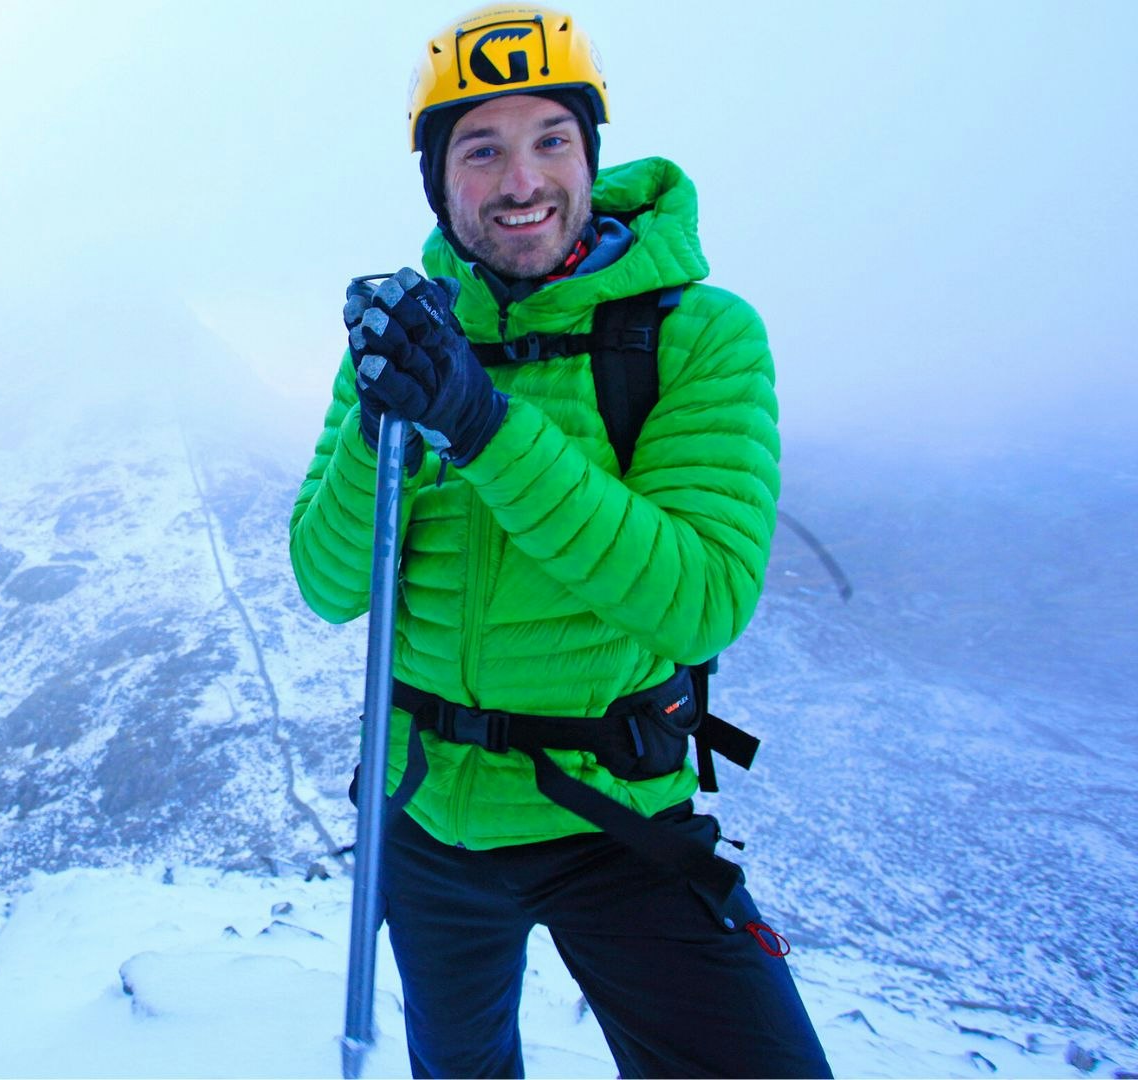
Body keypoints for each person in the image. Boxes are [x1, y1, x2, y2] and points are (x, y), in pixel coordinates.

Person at [288, 5, 832, 1077]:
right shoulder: (406, 341)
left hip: (613, 821)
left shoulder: (699, 334)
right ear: (440, 185)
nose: (519, 179)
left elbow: (700, 598)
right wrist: (377, 415)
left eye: (551, 139)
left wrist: (483, 425)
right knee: (463, 1068)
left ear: (591, 155)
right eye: (479, 149)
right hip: (426, 819)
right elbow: (328, 583)